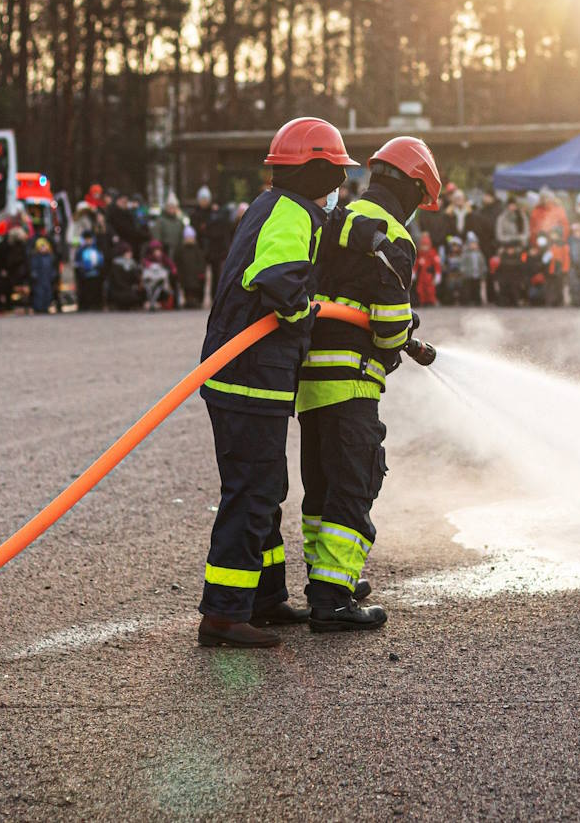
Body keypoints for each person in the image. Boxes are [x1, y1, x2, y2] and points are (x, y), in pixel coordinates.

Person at [197, 117, 356, 649]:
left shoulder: (272, 207)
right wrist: (303, 312)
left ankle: (262, 599)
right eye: (335, 173)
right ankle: (223, 614)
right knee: (253, 491)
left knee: (266, 489)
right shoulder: (292, 212)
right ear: (312, 171)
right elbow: (277, 281)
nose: (339, 186)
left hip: (246, 378)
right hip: (250, 379)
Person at [297, 135, 440, 632]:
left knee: (320, 484)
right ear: (413, 189)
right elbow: (387, 325)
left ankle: (324, 579)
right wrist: (403, 333)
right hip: (352, 378)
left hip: (310, 379)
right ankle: (333, 600)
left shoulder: (338, 219)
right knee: (354, 485)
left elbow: (342, 295)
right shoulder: (392, 235)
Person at [176, 225, 208, 309]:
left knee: (195, 289)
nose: (189, 239)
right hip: (185, 274)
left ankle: (195, 301)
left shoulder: (197, 250)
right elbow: (178, 262)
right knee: (187, 289)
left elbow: (201, 261)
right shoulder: (181, 250)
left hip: (195, 274)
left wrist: (201, 271)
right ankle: (188, 301)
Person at [74, 229, 106, 310]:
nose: (88, 241)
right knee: (85, 291)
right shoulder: (80, 251)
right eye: (86, 239)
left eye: (90, 239)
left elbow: (101, 260)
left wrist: (99, 268)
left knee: (95, 289)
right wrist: (82, 269)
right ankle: (85, 306)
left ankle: (96, 305)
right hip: (85, 275)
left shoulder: (97, 249)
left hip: (96, 274)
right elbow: (77, 263)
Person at [141, 239, 176, 311]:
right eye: (156, 251)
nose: (158, 252)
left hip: (160, 276)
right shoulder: (149, 257)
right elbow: (144, 262)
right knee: (148, 273)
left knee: (163, 273)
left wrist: (173, 269)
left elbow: (170, 263)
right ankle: (152, 283)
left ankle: (161, 285)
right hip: (151, 276)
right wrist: (150, 265)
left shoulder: (163, 257)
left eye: (159, 250)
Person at [107, 241, 144, 310]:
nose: (130, 254)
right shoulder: (116, 265)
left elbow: (136, 279)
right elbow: (117, 281)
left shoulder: (132, 264)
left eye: (130, 252)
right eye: (127, 252)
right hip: (120, 290)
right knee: (128, 296)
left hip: (129, 289)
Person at [152, 192, 186, 258]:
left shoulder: (179, 221)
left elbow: (182, 237)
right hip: (164, 251)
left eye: (173, 207)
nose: (172, 209)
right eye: (170, 207)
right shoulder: (160, 220)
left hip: (177, 251)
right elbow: (156, 236)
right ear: (166, 207)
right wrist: (158, 248)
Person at [413, 231, 441, 307]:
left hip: (429, 275)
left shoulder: (433, 253)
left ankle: (432, 301)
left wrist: (438, 274)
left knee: (430, 289)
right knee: (420, 289)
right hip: (421, 276)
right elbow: (416, 264)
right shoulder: (419, 254)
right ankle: (422, 302)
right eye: (423, 246)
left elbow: (437, 264)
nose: (424, 248)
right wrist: (414, 272)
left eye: (426, 246)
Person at [29, 237, 56, 313]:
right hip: (39, 279)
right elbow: (34, 267)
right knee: (39, 294)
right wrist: (34, 274)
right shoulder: (36, 257)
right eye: (41, 247)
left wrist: (53, 274)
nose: (43, 249)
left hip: (47, 278)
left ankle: (46, 307)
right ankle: (38, 308)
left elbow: (52, 267)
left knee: (48, 294)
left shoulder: (50, 257)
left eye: (44, 247)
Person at [459, 231, 487, 305]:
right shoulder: (465, 254)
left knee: (477, 288)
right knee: (467, 289)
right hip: (468, 274)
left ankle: (477, 300)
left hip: (477, 274)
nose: (474, 245)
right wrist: (463, 270)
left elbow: (482, 263)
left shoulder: (480, 254)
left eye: (475, 244)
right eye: (472, 244)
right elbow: (462, 263)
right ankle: (466, 301)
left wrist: (483, 270)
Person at [568, 221, 580, 307]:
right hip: (574, 266)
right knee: (575, 284)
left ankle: (579, 301)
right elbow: (574, 254)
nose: (579, 232)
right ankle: (576, 302)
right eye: (577, 231)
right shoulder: (573, 241)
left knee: (579, 284)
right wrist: (577, 264)